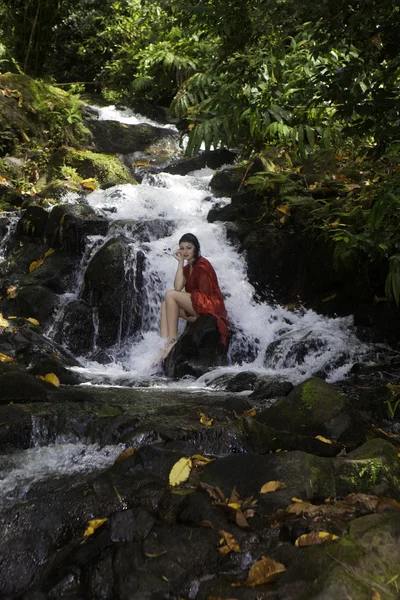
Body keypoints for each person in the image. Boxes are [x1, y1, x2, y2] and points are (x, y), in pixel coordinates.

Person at [159, 233, 228, 359]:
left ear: (196, 248)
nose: (185, 251)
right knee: (165, 305)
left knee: (170, 295)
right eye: (182, 248)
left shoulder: (203, 265)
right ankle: (163, 346)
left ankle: (173, 341)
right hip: (198, 309)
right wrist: (180, 263)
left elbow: (205, 296)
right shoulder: (187, 268)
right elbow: (178, 287)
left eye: (189, 247)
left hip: (209, 307)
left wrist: (185, 298)